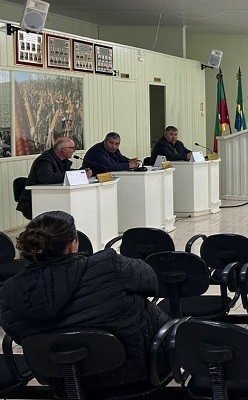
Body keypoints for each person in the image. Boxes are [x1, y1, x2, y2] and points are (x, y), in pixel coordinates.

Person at [0, 211, 170, 392]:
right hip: (138, 375)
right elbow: (152, 283)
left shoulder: (11, 290)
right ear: (73, 245)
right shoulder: (109, 265)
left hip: (63, 382)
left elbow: (18, 334)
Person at [16, 137, 93, 220]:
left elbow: (64, 173)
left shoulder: (61, 160)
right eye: (72, 148)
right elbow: (46, 177)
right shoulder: (45, 160)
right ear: (64, 149)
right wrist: (78, 175)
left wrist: (81, 172)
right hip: (34, 200)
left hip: (50, 198)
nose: (74, 151)